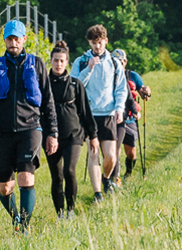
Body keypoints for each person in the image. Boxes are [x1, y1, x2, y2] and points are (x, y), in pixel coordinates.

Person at [0, 19, 57, 234]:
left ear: (24, 39)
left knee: (26, 178)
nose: (13, 42)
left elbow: (48, 100)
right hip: (2, 132)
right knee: (5, 187)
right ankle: (16, 218)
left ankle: (24, 228)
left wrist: (52, 132)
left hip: (30, 128)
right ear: (5, 40)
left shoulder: (37, 64)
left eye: (17, 38)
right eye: (9, 38)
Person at [71, 25, 128, 201]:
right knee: (93, 151)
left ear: (106, 41)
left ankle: (106, 179)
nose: (97, 47)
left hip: (109, 113)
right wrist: (89, 68)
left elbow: (120, 88)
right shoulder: (81, 61)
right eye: (93, 43)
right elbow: (74, 86)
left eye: (100, 43)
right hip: (89, 114)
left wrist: (119, 108)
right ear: (89, 43)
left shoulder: (114, 62)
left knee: (111, 155)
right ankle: (97, 194)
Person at [45, 40, 96, 219]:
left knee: (69, 171)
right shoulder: (44, 85)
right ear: (50, 61)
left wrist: (93, 135)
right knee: (57, 176)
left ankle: (71, 209)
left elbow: (85, 111)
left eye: (62, 60)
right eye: (55, 60)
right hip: (50, 136)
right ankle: (59, 213)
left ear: (67, 62)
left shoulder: (75, 85)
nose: (58, 64)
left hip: (73, 135)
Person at [111, 49, 151, 182]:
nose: (118, 65)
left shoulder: (133, 76)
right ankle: (115, 178)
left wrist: (147, 92)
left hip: (130, 119)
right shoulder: (107, 76)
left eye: (121, 62)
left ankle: (128, 172)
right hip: (113, 119)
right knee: (115, 151)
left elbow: (144, 95)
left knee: (131, 153)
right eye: (115, 62)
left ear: (125, 62)